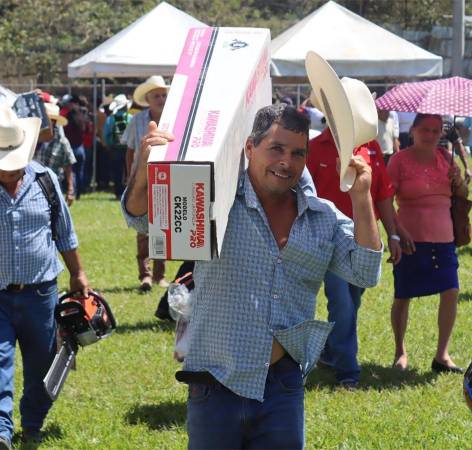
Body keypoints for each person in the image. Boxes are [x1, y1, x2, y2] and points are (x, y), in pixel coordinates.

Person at [122, 104, 382, 449]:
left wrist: (361, 196)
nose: (286, 162)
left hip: (282, 387)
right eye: (276, 148)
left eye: (297, 153)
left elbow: (366, 271)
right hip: (215, 383)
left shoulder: (323, 219)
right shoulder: (215, 200)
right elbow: (140, 219)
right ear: (249, 148)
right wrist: (145, 166)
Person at [0, 106, 90, 449]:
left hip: (41, 295)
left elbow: (64, 233)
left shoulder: (45, 181)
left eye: (15, 164)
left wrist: (78, 272)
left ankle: (33, 420)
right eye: (3, 165)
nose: (11, 172)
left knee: (42, 363)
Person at [308, 127, 400, 388]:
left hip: (364, 241)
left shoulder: (370, 147)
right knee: (342, 304)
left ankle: (328, 352)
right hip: (330, 242)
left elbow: (381, 193)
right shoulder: (315, 147)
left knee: (353, 302)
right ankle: (348, 370)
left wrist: (393, 235)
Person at [387, 113, 468, 374]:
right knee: (403, 295)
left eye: (435, 130)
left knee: (451, 291)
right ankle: (400, 351)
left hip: (444, 239)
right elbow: (385, 201)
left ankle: (442, 355)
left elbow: (462, 195)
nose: (430, 135)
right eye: (424, 129)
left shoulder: (446, 158)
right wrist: (397, 233)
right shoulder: (399, 160)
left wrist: (459, 183)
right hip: (411, 238)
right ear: (413, 131)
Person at [122, 75, 169, 291]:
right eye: (156, 96)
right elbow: (130, 150)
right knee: (142, 229)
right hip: (142, 181)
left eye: (163, 95)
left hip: (165, 179)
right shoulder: (138, 120)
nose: (160, 99)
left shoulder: (173, 118)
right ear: (148, 99)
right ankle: (145, 275)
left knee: (162, 226)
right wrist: (131, 177)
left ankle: (160, 275)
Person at [33, 101, 76, 205]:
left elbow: (68, 166)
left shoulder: (62, 142)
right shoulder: (32, 138)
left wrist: (70, 190)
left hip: (53, 187)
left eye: (51, 120)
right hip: (33, 186)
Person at [103, 94, 133, 199]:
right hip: (129, 148)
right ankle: (129, 191)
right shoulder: (130, 118)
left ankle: (118, 193)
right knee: (129, 170)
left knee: (117, 172)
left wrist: (108, 145)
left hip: (115, 149)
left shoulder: (110, 119)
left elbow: (106, 135)